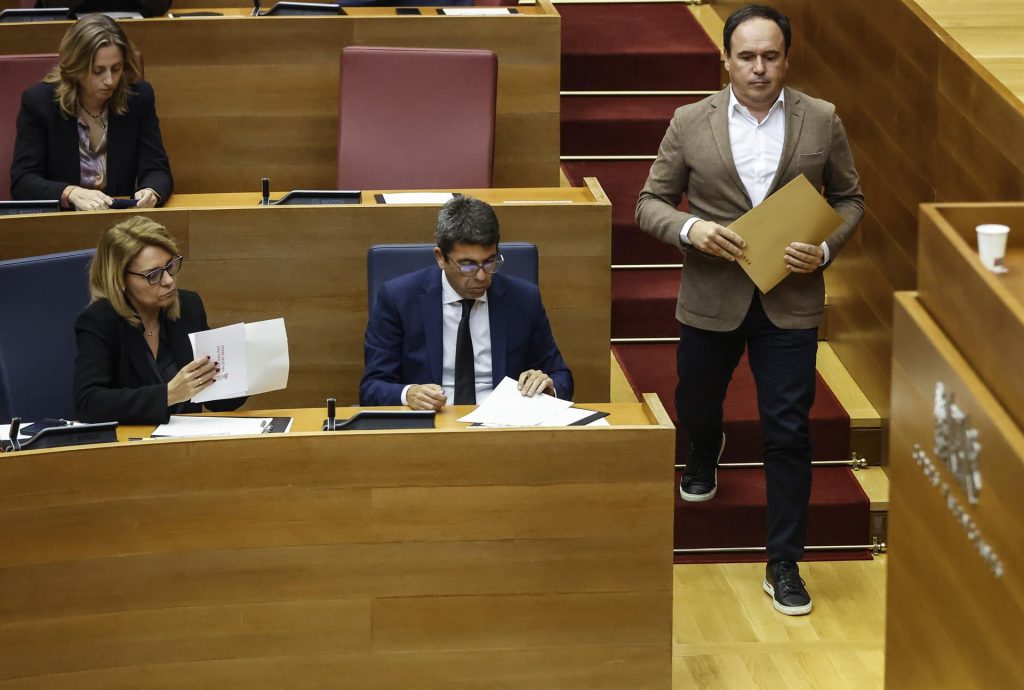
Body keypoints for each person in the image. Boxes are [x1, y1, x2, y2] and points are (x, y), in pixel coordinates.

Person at [635, 5, 864, 616]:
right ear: (726, 60)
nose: (758, 68)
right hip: (712, 295)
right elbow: (649, 203)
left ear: (786, 60)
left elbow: (849, 198)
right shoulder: (690, 120)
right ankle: (703, 449)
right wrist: (692, 229)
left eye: (770, 56)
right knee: (697, 399)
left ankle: (784, 562)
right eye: (746, 57)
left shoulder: (822, 118)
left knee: (788, 429)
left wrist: (823, 249)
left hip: (790, 299)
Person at [360, 196, 573, 409]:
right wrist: (409, 394)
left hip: (502, 421)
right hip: (433, 420)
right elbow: (372, 388)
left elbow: (561, 377)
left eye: (489, 262)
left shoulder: (524, 299)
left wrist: (548, 388)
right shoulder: (399, 299)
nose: (481, 276)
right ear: (440, 257)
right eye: (468, 265)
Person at [74, 216, 245, 424]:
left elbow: (219, 402)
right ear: (120, 279)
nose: (168, 281)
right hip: (130, 440)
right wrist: (168, 394)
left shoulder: (189, 307)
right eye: (153, 275)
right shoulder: (99, 321)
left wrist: (244, 372)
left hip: (188, 439)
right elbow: (89, 404)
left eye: (170, 266)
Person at [10, 15, 173, 210]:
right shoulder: (40, 102)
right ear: (75, 68)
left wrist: (151, 191)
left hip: (119, 218)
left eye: (116, 69)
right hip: (62, 218)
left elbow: (157, 169)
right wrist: (70, 192)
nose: (110, 80)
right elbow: (23, 181)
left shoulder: (137, 98)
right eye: (98, 70)